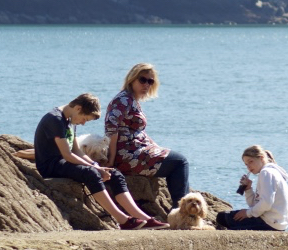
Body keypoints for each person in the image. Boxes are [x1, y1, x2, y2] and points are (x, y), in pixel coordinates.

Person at [35, 93, 168, 230]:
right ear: (78, 108)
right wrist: (95, 169)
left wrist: (96, 165)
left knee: (114, 173)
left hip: (65, 162)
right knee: (91, 173)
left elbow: (77, 151)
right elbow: (67, 155)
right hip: (51, 165)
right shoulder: (55, 120)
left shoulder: (70, 119)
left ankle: (144, 219)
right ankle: (123, 220)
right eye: (84, 119)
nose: (83, 123)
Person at [104, 63, 190, 208]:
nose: (146, 85)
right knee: (179, 162)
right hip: (128, 155)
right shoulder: (122, 100)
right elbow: (111, 130)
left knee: (175, 159)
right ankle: (182, 212)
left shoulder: (132, 100)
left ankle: (180, 210)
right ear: (132, 79)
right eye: (142, 80)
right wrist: (111, 161)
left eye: (150, 81)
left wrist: (157, 147)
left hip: (137, 150)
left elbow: (139, 131)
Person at [216, 145, 288, 231]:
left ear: (261, 158)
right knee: (227, 216)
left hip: (269, 222)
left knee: (222, 217)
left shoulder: (266, 173)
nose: (248, 166)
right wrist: (248, 189)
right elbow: (255, 205)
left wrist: (247, 213)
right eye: (246, 164)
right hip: (278, 223)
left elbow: (266, 203)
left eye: (251, 161)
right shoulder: (272, 172)